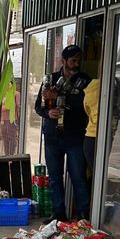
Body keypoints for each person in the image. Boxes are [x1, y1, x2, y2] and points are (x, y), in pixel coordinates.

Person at [34, 44, 92, 221]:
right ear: (63, 61)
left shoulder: (86, 82)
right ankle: (58, 214)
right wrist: (48, 113)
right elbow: (38, 106)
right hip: (52, 136)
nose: (76, 64)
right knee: (54, 177)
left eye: (78, 61)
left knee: (78, 177)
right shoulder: (50, 80)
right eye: (73, 61)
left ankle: (83, 215)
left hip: (75, 136)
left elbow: (90, 108)